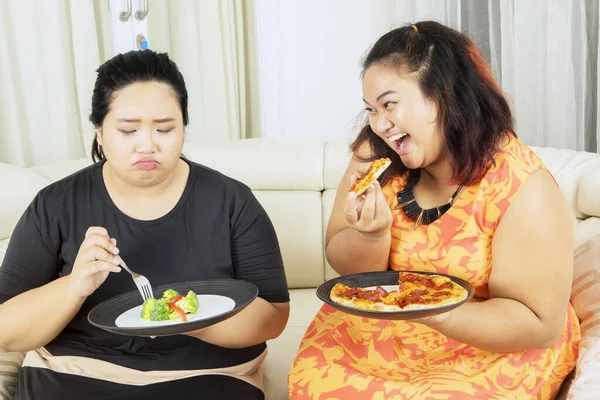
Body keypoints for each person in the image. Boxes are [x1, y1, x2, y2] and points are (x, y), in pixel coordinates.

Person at [288, 21, 578, 399]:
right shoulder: (373, 158)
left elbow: (537, 323)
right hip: (392, 334)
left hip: (491, 347)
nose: (378, 124)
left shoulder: (522, 185)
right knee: (317, 381)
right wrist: (369, 234)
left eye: (389, 104)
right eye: (371, 110)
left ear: (443, 94)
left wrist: (425, 309)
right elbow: (351, 273)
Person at [0, 50, 290, 399]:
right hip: (78, 369)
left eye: (165, 129)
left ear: (183, 126)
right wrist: (73, 287)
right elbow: (5, 329)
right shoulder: (56, 204)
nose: (147, 145)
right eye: (128, 130)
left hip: (206, 373)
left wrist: (182, 317)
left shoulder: (232, 202)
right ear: (100, 131)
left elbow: (273, 317)